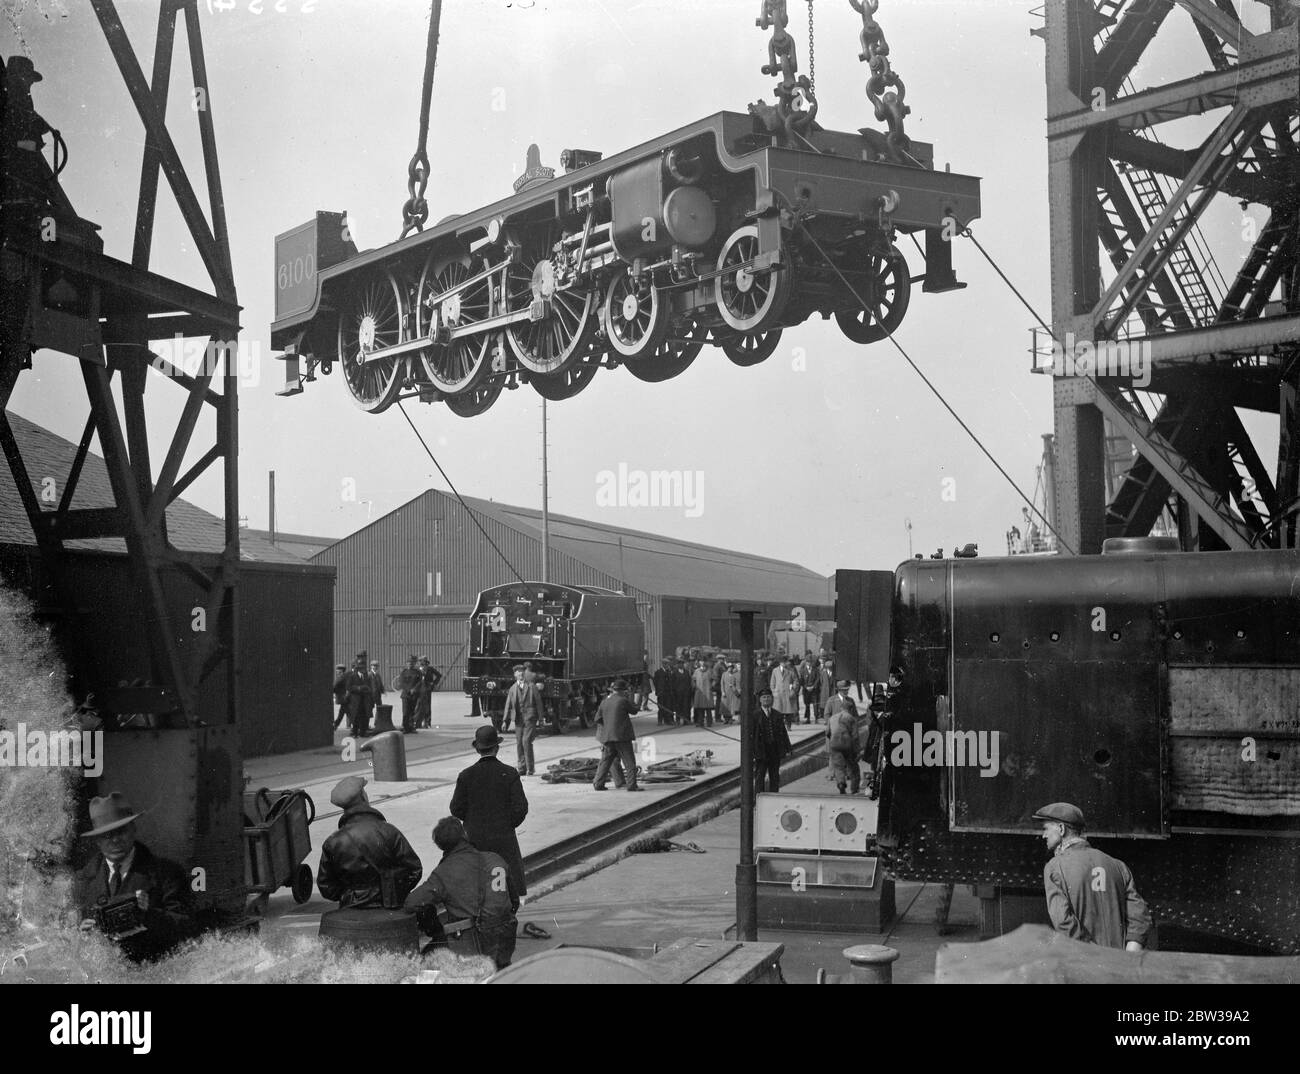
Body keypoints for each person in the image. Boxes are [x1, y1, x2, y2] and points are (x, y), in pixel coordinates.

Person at [73, 793, 194, 962]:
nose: (115, 840)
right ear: (97, 841)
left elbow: (186, 928)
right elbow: (66, 936)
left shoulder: (167, 874)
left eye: (121, 831)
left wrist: (147, 915)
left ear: (133, 830)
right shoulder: (82, 881)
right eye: (107, 835)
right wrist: (80, 934)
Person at [1035, 802, 1151, 951]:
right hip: (1118, 965)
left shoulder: (1055, 867)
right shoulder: (1118, 866)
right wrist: (1127, 959)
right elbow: (1140, 919)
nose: (1043, 835)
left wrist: (1093, 955)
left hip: (1084, 964)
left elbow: (1063, 922)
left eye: (1045, 829)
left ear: (1061, 829)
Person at [405, 817, 519, 968]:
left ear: (441, 846)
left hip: (471, 943)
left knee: (429, 958)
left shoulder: (443, 872)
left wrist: (435, 927)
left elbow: (411, 903)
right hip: (505, 938)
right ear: (465, 836)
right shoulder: (495, 859)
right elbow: (514, 902)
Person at [450, 726, 529, 905]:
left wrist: (471, 821)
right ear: (497, 747)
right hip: (503, 836)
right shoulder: (509, 773)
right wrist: (507, 824)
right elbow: (521, 807)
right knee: (506, 879)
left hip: (475, 837)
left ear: (477, 749)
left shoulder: (466, 775)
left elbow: (455, 808)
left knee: (478, 877)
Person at [316, 776, 423, 908]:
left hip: (351, 909)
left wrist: (349, 894)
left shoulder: (333, 842)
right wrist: (394, 891)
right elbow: (414, 870)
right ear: (363, 797)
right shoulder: (389, 831)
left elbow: (326, 886)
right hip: (389, 906)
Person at [593, 679, 641, 791]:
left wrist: (608, 727)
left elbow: (597, 718)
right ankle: (631, 785)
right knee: (629, 762)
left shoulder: (604, 701)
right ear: (623, 690)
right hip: (622, 737)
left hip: (608, 737)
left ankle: (598, 784)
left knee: (605, 762)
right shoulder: (623, 700)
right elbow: (634, 710)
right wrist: (636, 698)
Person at [503, 664, 543, 775]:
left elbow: (539, 703)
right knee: (519, 743)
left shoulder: (532, 686)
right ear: (515, 675)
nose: (520, 674)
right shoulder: (512, 689)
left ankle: (530, 768)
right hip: (518, 719)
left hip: (530, 718)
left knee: (526, 741)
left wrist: (541, 719)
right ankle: (521, 768)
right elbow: (508, 705)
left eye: (522, 672)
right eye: (518, 673)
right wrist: (504, 721)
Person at [750, 688, 791, 796]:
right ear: (760, 700)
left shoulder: (777, 714)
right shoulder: (755, 715)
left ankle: (774, 797)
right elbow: (751, 735)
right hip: (761, 751)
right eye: (764, 697)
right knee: (760, 776)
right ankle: (759, 798)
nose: (766, 699)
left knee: (774, 776)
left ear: (772, 699)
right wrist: (752, 751)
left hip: (774, 751)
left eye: (768, 697)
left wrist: (788, 748)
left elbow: (783, 733)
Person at [825, 696, 861, 794]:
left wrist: (833, 739)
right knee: (853, 766)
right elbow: (855, 736)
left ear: (841, 708)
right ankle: (854, 788)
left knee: (838, 766)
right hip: (847, 743)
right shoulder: (851, 719)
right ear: (850, 709)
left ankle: (841, 783)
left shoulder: (832, 718)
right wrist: (857, 751)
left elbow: (827, 732)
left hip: (834, 744)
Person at [342, 653, 371, 737]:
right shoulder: (352, 676)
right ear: (358, 669)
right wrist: (359, 688)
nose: (364, 669)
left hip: (364, 699)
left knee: (364, 716)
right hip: (355, 700)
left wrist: (368, 690)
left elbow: (369, 686)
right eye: (362, 668)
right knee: (355, 717)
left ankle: (363, 732)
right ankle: (354, 732)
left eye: (364, 668)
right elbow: (349, 687)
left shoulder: (366, 676)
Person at [770, 656, 799, 728]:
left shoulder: (791, 670)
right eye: (783, 662)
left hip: (788, 693)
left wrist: (794, 689)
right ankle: (780, 726)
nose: (784, 664)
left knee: (788, 711)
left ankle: (788, 726)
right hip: (778, 694)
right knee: (778, 712)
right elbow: (772, 682)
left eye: (785, 662)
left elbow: (796, 681)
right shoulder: (775, 670)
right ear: (780, 663)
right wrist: (773, 691)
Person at [396, 655, 422, 735]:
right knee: (405, 712)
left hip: (414, 694)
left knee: (412, 711)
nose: (410, 664)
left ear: (414, 664)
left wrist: (414, 689)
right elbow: (402, 683)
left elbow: (420, 682)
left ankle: (411, 727)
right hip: (406, 695)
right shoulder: (403, 672)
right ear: (406, 664)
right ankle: (405, 727)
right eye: (409, 663)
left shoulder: (418, 672)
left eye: (412, 663)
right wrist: (408, 690)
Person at [415, 656, 441, 729]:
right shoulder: (417, 669)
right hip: (419, 689)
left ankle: (427, 722)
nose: (421, 663)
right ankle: (418, 722)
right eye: (420, 661)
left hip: (427, 689)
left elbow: (439, 675)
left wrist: (433, 683)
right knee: (418, 706)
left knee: (427, 706)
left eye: (422, 661)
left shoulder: (430, 669)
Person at [652, 657, 676, 726]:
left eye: (667, 664)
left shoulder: (669, 672)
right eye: (666, 664)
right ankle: (660, 721)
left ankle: (667, 720)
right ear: (663, 664)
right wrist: (658, 690)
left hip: (668, 693)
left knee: (668, 707)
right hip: (661, 692)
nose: (667, 665)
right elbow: (655, 682)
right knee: (661, 707)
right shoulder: (658, 672)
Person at [691, 660, 714, 727]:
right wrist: (694, 686)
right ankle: (700, 722)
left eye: (703, 662)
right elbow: (693, 679)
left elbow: (714, 679)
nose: (702, 664)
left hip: (707, 692)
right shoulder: (697, 671)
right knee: (700, 709)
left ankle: (709, 722)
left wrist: (712, 686)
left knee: (708, 709)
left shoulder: (709, 671)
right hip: (699, 692)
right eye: (701, 663)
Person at [671, 659, 694, 727]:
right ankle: (678, 720)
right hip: (678, 694)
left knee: (686, 707)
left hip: (686, 693)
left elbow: (689, 682)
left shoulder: (686, 672)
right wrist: (674, 692)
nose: (680, 665)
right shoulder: (674, 673)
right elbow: (672, 683)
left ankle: (687, 720)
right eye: (679, 664)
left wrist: (689, 691)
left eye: (682, 663)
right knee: (678, 707)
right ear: (677, 665)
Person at [798, 654, 820, 724]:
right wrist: (806, 687)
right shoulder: (802, 670)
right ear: (806, 662)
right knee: (807, 704)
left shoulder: (815, 669)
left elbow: (818, 679)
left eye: (811, 662)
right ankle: (808, 718)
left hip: (814, 690)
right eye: (808, 662)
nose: (809, 663)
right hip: (806, 690)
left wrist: (813, 686)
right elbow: (801, 680)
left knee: (815, 704)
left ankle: (816, 718)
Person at [332, 664, 348, 732]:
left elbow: (334, 686)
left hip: (342, 698)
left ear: (341, 670)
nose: (336, 671)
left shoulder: (340, 677)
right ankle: (335, 724)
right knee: (343, 712)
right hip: (345, 698)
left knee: (343, 712)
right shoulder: (345, 676)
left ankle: (335, 725)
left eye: (337, 670)